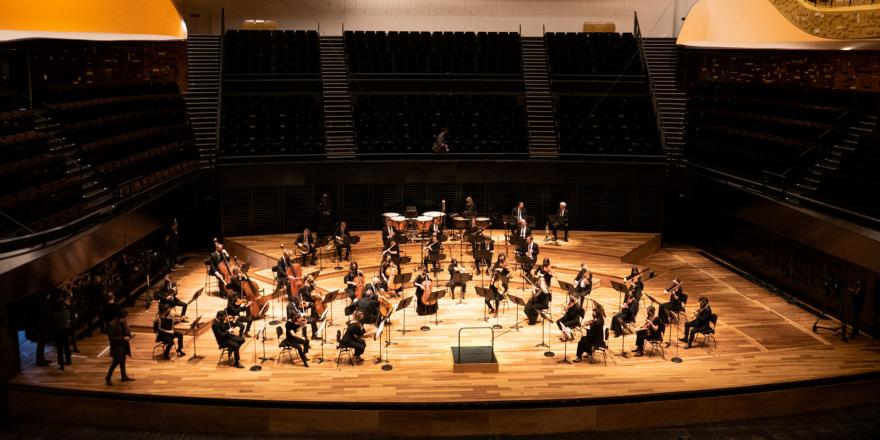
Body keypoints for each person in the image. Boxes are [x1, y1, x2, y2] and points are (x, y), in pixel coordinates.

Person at [106, 310, 135, 385]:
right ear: (119, 317)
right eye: (123, 318)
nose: (124, 319)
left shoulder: (123, 321)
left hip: (123, 345)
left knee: (123, 361)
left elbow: (126, 330)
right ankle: (108, 377)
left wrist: (130, 334)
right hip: (117, 346)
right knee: (116, 362)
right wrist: (123, 338)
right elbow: (112, 338)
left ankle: (124, 376)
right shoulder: (112, 324)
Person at [51, 296, 72, 370]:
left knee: (59, 349)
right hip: (66, 331)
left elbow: (53, 323)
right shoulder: (67, 312)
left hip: (57, 332)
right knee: (67, 347)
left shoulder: (54, 314)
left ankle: (61, 364)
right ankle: (69, 361)